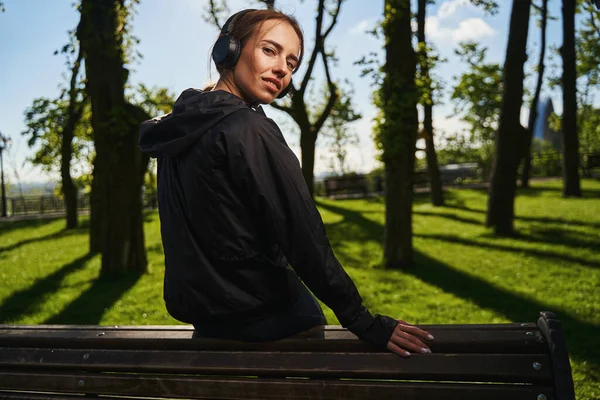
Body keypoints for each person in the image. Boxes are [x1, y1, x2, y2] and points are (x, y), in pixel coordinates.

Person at [138, 8, 433, 357]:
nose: (283, 69)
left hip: (207, 322)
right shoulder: (248, 130)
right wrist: (363, 320)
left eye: (292, 63)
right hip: (270, 320)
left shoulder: (179, 129)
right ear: (228, 50)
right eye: (270, 50)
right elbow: (303, 236)